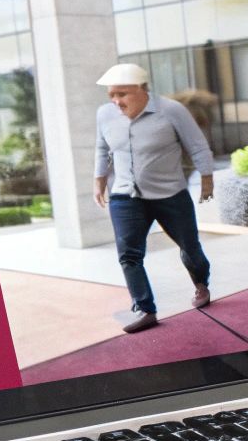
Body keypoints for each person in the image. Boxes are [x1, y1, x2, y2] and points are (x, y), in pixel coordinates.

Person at [92, 63, 216, 334]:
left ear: (142, 89)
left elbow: (196, 144)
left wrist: (207, 178)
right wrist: (99, 180)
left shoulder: (171, 110)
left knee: (190, 248)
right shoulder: (105, 114)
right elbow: (102, 148)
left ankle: (201, 284)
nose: (116, 101)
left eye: (122, 94)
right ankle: (145, 308)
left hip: (170, 193)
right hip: (125, 195)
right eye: (111, 95)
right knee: (129, 255)